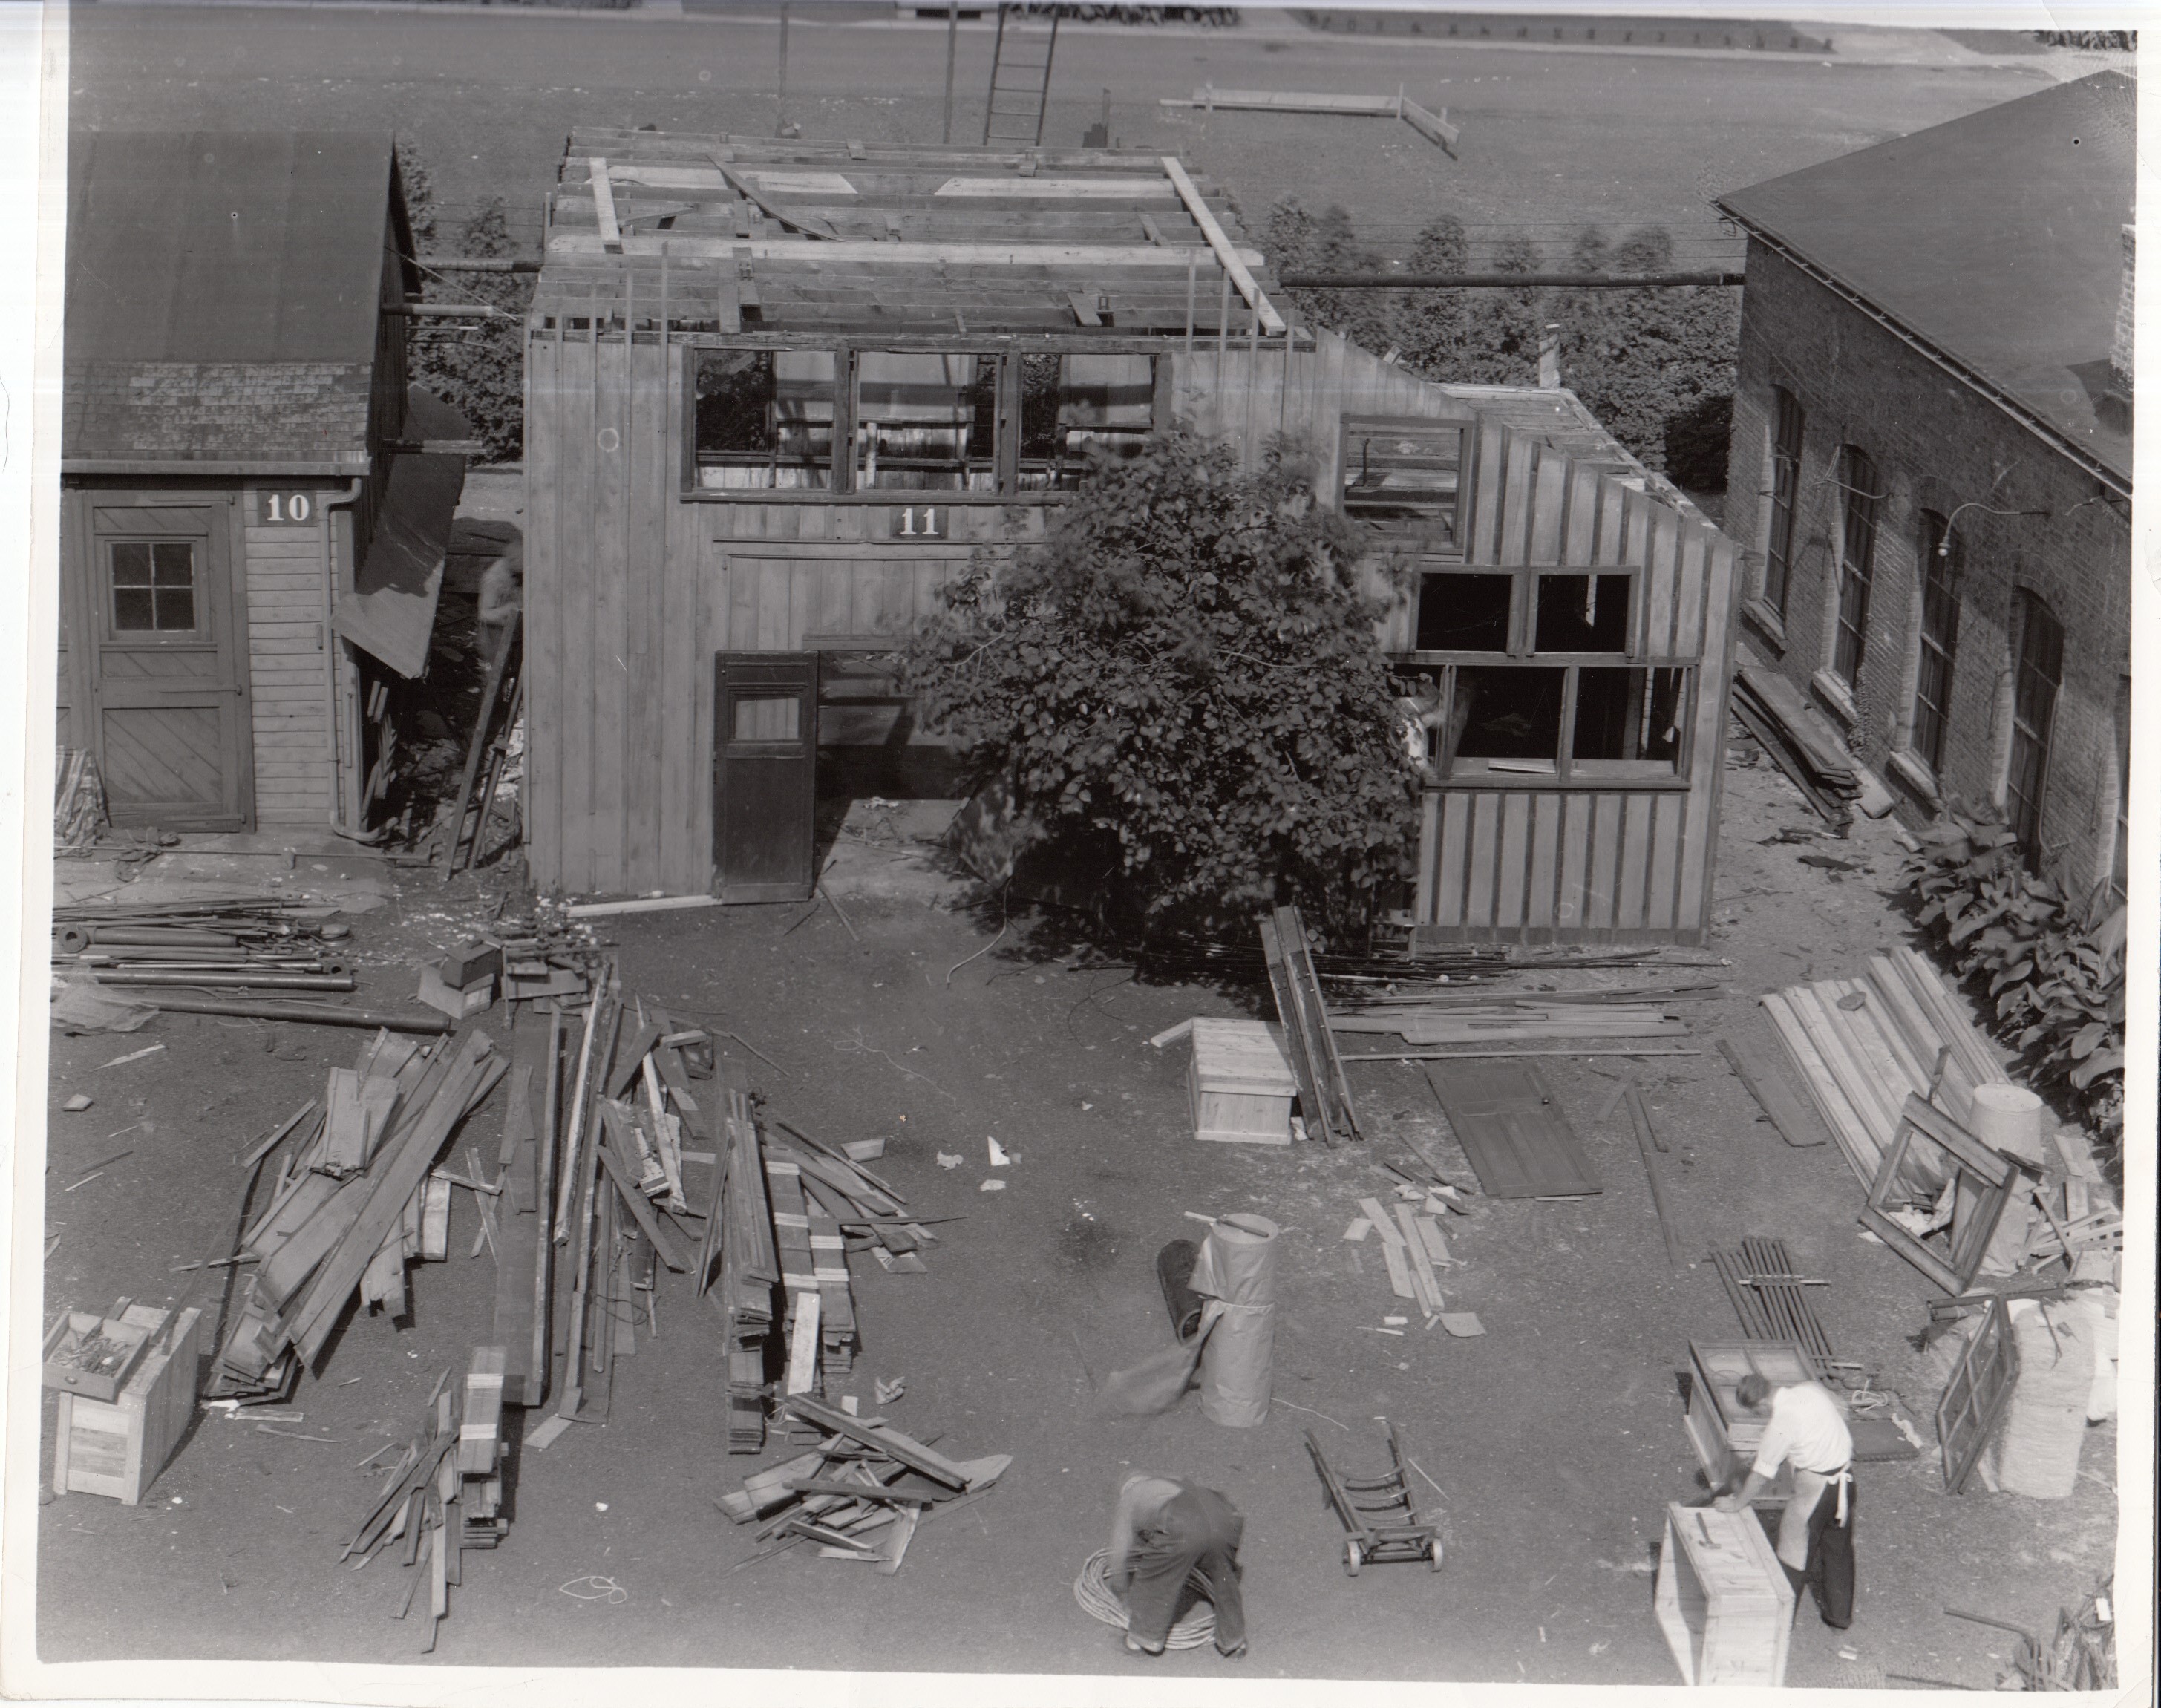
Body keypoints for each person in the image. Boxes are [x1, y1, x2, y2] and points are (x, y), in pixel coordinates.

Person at [1716, 1372, 1856, 1629]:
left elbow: (1760, 1477)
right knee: (1838, 1546)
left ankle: (1780, 1623)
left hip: (1817, 1490)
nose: (1761, 1418)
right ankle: (1839, 1616)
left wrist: (1737, 1504)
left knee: (1793, 1549)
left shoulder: (1780, 1423)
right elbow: (1836, 1415)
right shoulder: (1809, 1390)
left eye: (1758, 1413)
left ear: (1762, 1405)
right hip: (1846, 1478)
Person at [1104, 1471, 1247, 1658]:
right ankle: (1235, 1642)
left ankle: (1140, 1640)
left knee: (1157, 1576)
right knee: (1224, 1580)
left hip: (1182, 1523)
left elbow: (1120, 1549)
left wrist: (1121, 1589)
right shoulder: (1176, 1482)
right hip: (1224, 1516)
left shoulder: (1131, 1496)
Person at [476, 539, 523, 665]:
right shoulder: (494, 579)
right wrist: (509, 610)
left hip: (514, 633)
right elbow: (484, 615)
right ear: (512, 560)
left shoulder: (518, 572)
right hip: (494, 638)